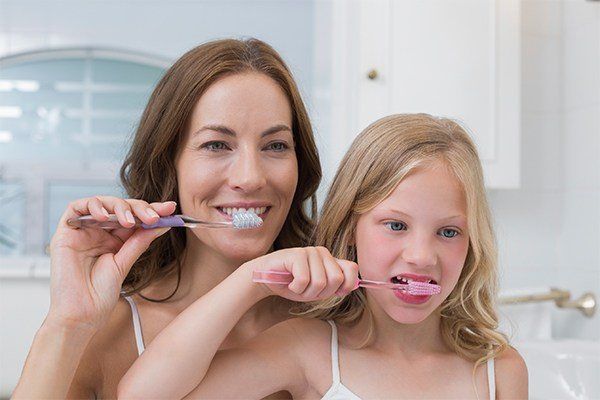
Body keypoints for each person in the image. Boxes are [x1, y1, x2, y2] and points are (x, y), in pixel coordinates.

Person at [119, 113, 528, 399]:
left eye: (449, 232)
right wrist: (250, 279)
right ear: (352, 229)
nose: (422, 256)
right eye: (396, 225)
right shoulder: (307, 348)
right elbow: (142, 396)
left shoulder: (500, 371)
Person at [12, 38, 321, 399]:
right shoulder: (109, 333)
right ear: (168, 164)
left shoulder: (341, 320)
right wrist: (68, 323)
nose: (251, 177)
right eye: (216, 145)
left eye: (276, 146)